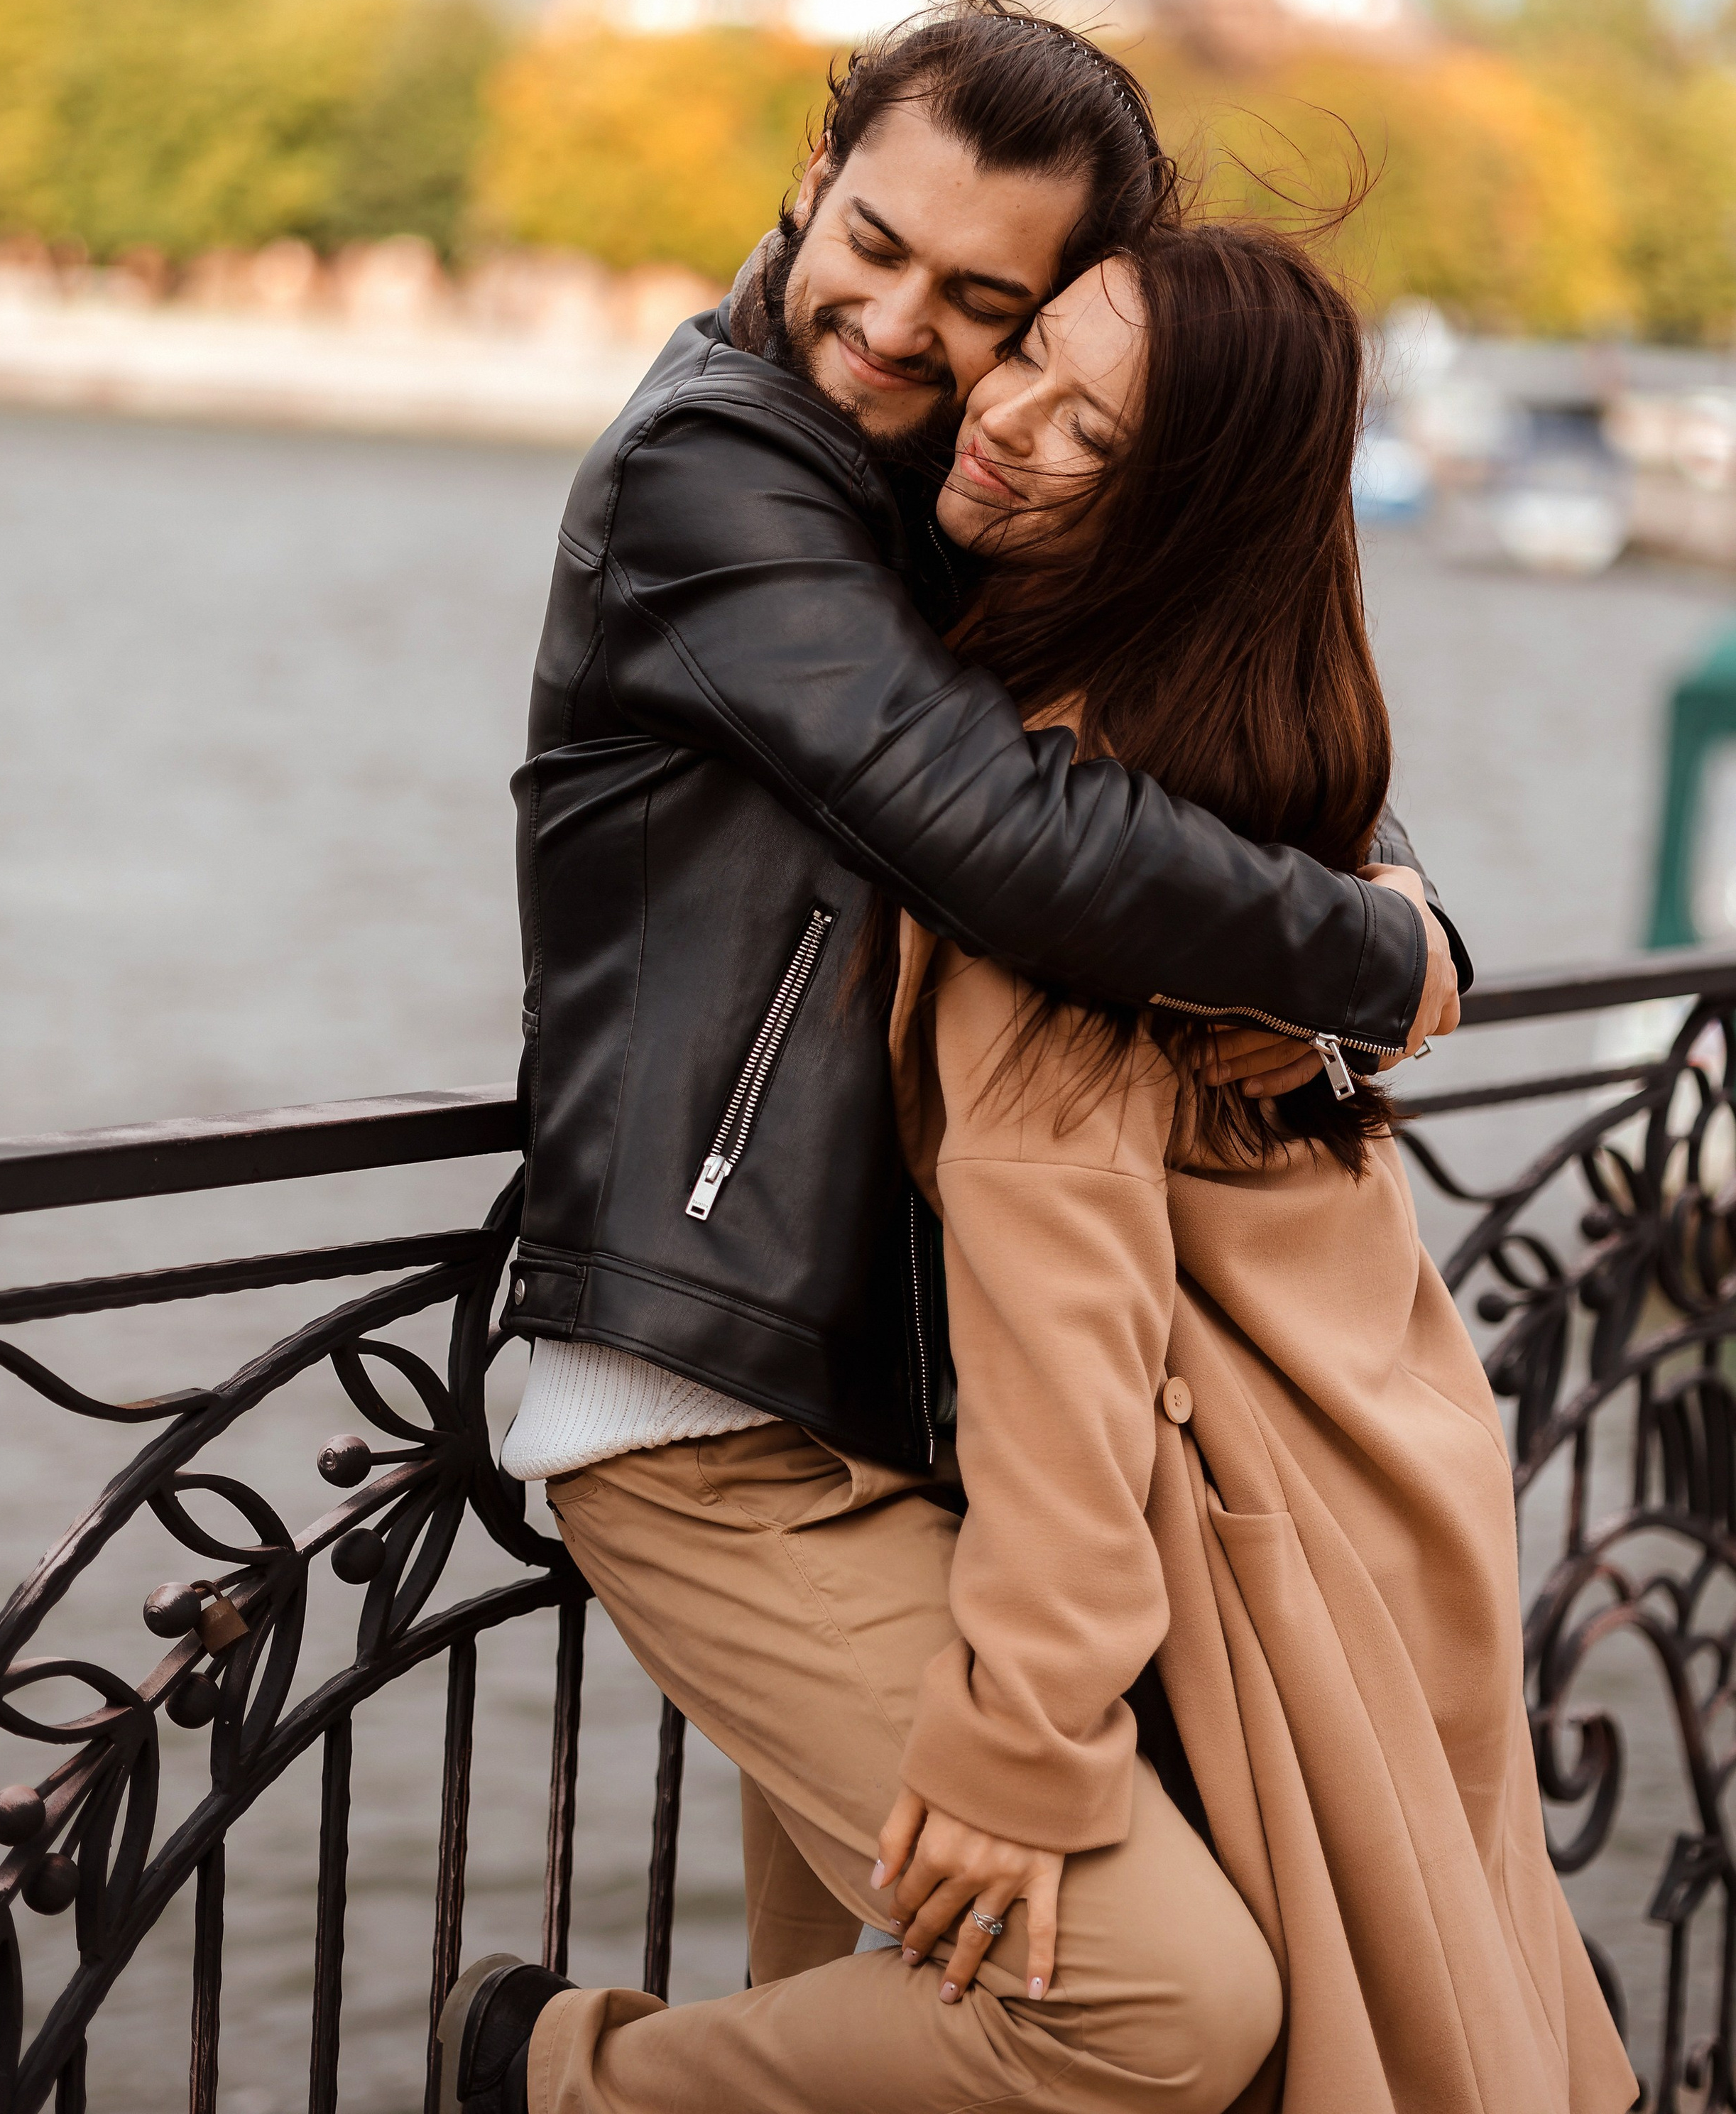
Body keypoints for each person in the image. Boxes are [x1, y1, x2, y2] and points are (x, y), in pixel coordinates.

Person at [442, 210, 1628, 2113]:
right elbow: (1065, 1286)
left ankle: (555, 2075)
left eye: (1095, 425)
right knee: (1100, 2003)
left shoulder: (1091, 813)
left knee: (1052, 2003)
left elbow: (1063, 1306)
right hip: (923, 1437)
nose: (1006, 416)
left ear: (1183, 514)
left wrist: (1025, 1729)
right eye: (1038, 357)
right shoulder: (1195, 760)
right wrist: (1401, 952)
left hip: (1047, 1473)